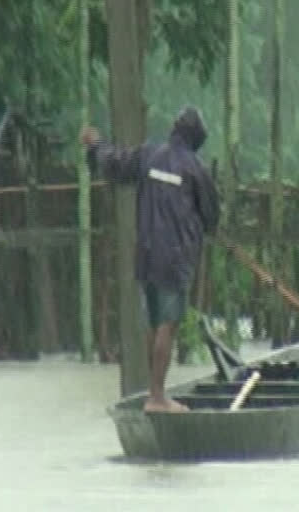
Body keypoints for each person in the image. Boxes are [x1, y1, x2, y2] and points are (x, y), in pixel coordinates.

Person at [81, 106, 220, 413]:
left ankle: (154, 393)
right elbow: (212, 216)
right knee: (167, 326)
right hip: (174, 259)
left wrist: (96, 145)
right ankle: (157, 397)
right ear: (196, 139)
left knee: (154, 323)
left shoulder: (149, 155)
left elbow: (113, 163)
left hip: (145, 255)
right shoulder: (196, 170)